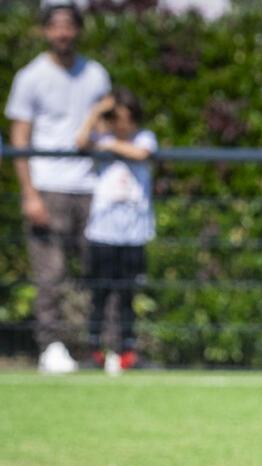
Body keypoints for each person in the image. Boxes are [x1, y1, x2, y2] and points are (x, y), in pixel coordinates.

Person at [5, 2, 111, 374]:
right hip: (47, 186)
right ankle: (50, 346)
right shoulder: (30, 76)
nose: (63, 33)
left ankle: (99, 348)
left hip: (91, 187)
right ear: (45, 31)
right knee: (49, 275)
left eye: (69, 26)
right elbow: (19, 138)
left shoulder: (96, 74)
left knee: (97, 271)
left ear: (78, 29)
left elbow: (106, 128)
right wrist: (29, 193)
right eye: (56, 27)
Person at [75, 88, 156, 373]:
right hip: (102, 233)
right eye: (116, 118)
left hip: (133, 234)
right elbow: (80, 141)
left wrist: (110, 145)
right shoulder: (101, 138)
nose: (121, 125)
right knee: (99, 294)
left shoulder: (143, 138)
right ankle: (94, 350)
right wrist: (97, 111)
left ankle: (127, 352)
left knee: (127, 296)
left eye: (126, 119)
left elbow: (141, 152)